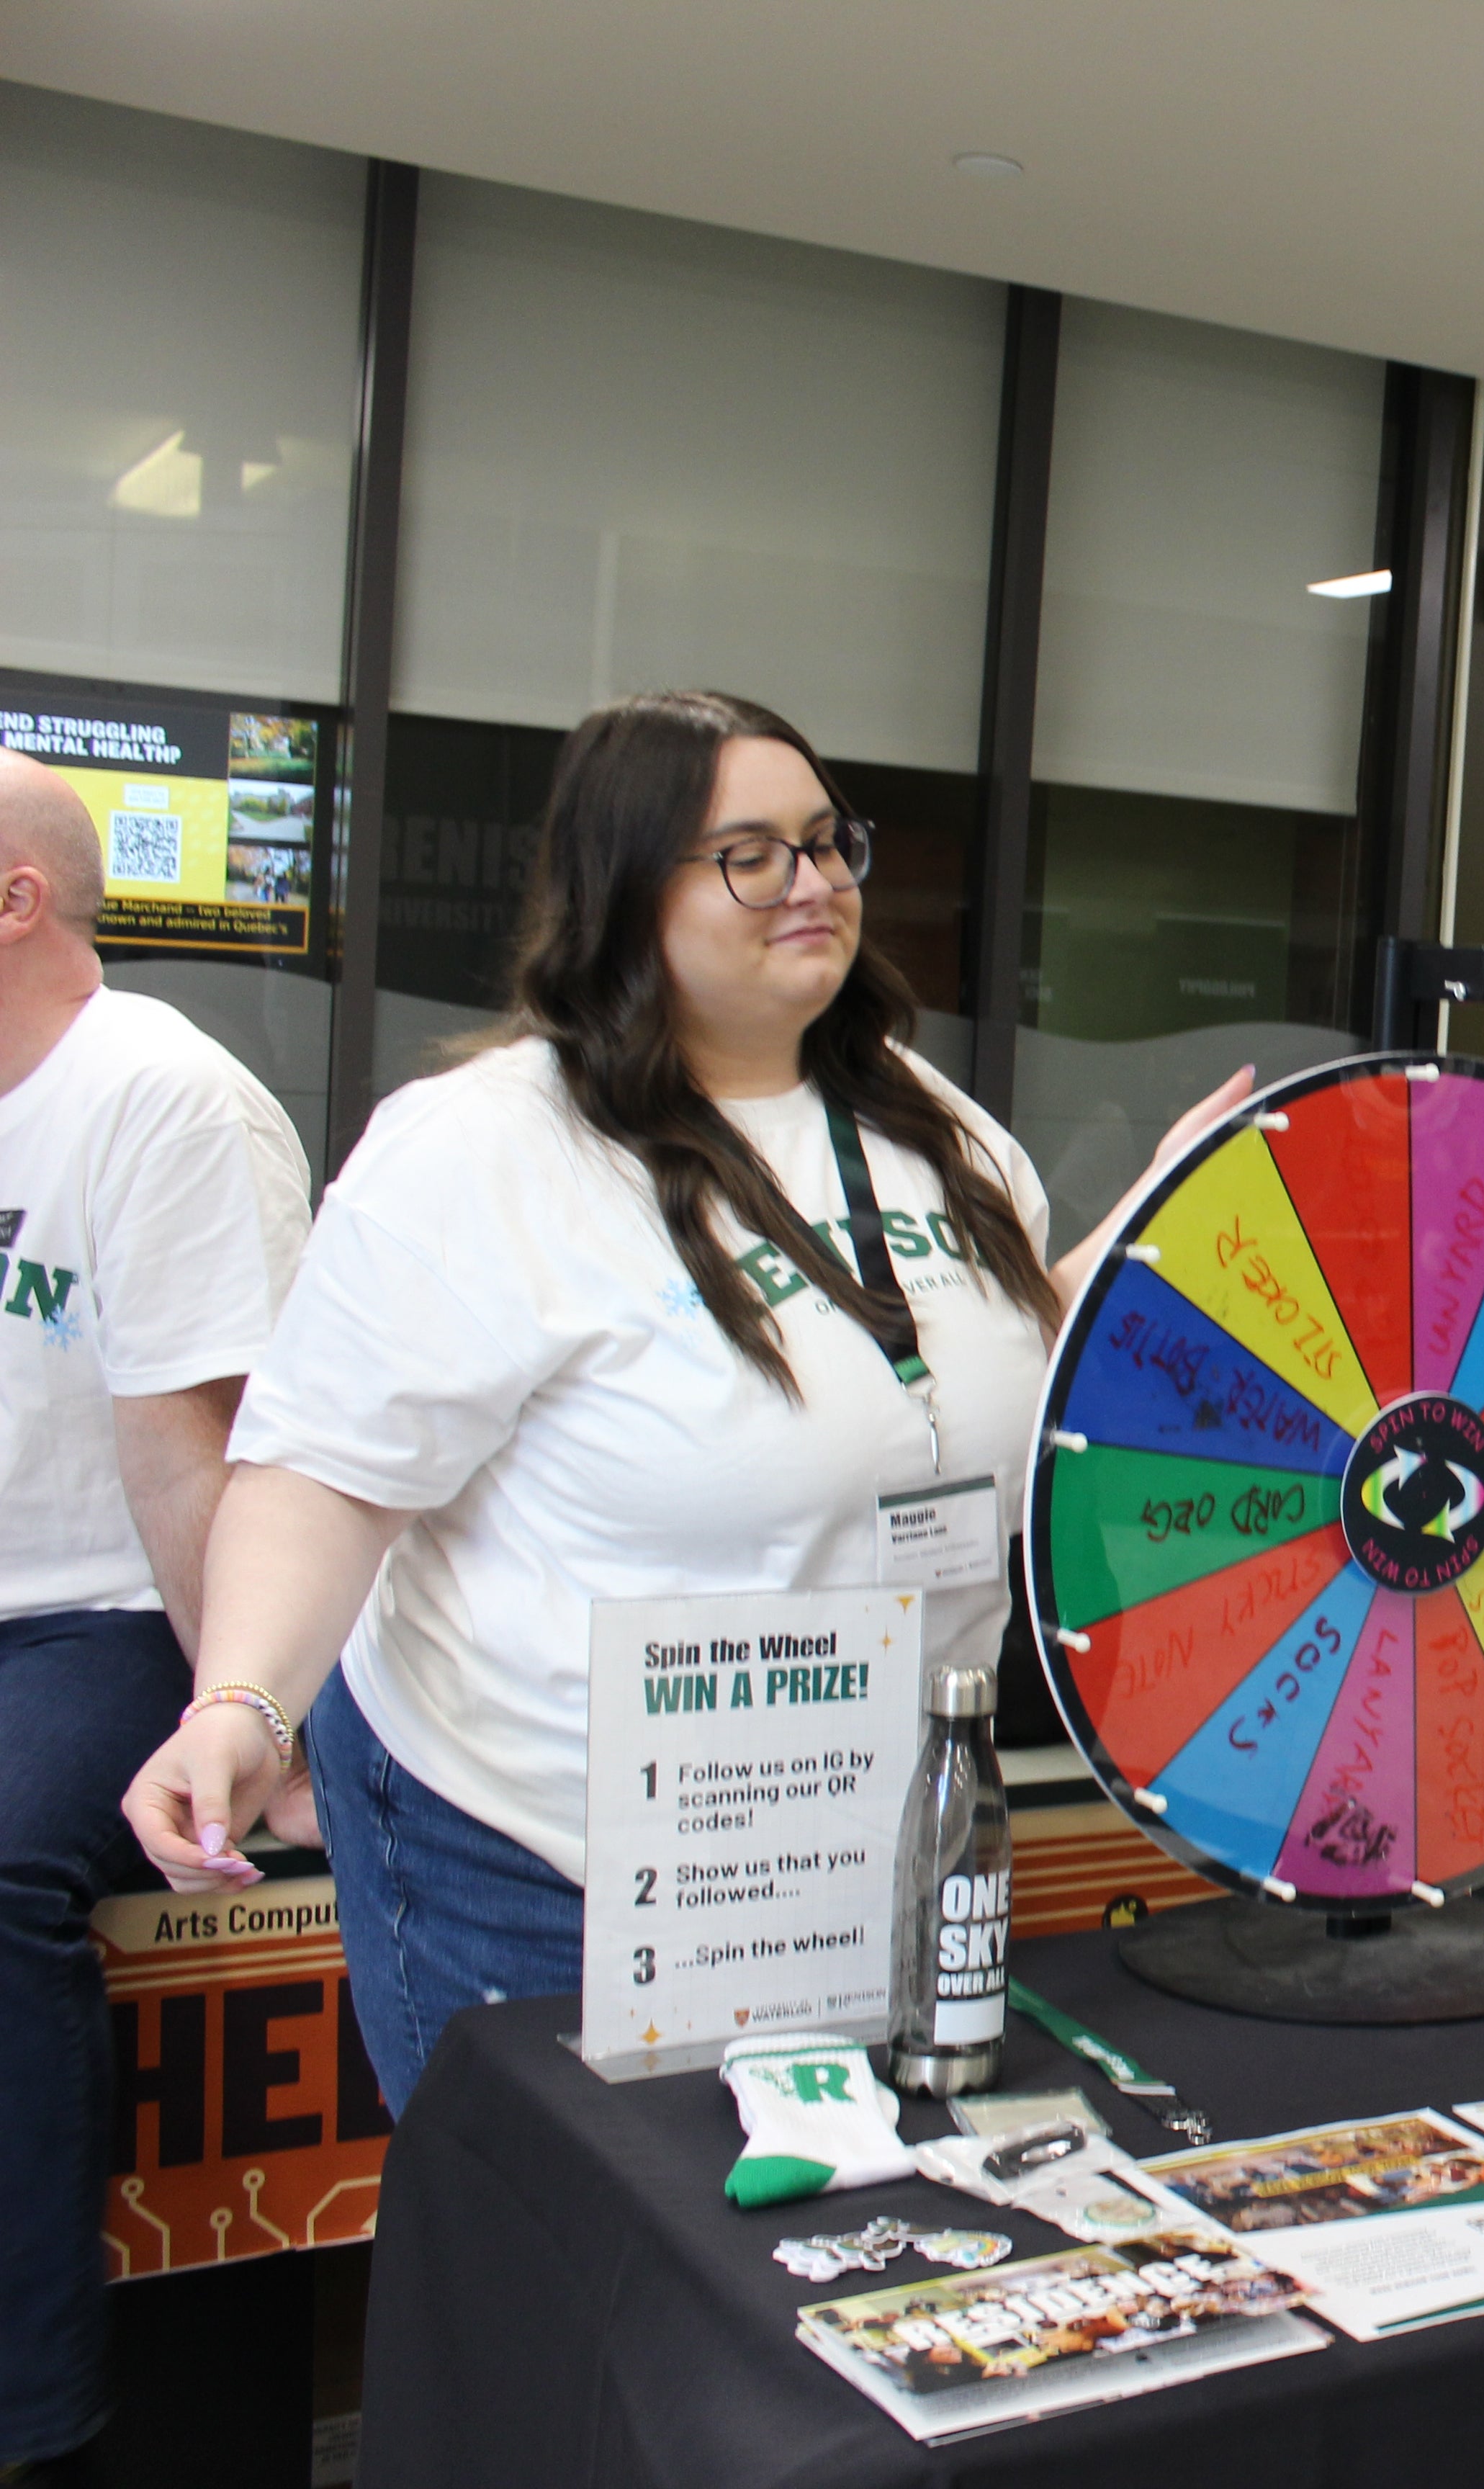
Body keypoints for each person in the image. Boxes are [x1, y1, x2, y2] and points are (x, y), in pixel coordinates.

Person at [121, 691, 1255, 2112]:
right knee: (583, 2273)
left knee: (798, 2277)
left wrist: (1147, 1234)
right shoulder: (482, 1151)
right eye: (751, 853)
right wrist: (241, 1704)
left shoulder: (926, 1127)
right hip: (545, 1857)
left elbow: (984, 1383)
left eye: (830, 842)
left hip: (849, 1843)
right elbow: (330, 1477)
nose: (816, 883)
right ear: (622, 890)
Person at [0, 750, 312, 2474]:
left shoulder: (161, 1101)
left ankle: (34, 2411)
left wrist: (248, 1717)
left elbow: (224, 1455)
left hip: (112, 1616)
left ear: (16, 900)